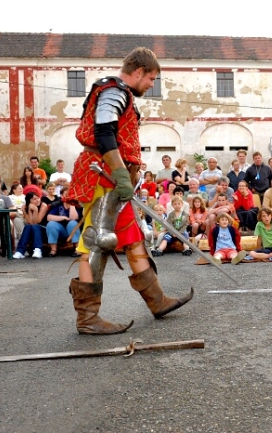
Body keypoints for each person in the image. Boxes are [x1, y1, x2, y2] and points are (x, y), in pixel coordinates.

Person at [64, 47, 192, 335]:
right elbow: (103, 133)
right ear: (138, 72)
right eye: (151, 78)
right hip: (103, 174)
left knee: (135, 238)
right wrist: (120, 173)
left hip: (115, 177)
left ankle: (157, 301)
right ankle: (87, 317)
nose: (151, 84)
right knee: (97, 242)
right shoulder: (114, 91)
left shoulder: (123, 94)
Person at [45, 188, 81, 257]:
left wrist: (72, 204)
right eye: (66, 194)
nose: (68, 196)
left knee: (72, 223)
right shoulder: (58, 205)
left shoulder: (77, 205)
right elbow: (49, 217)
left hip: (73, 230)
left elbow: (73, 218)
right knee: (51, 224)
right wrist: (63, 218)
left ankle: (78, 249)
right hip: (61, 230)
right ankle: (53, 250)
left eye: (70, 194)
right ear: (61, 196)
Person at [12, 191, 48, 259]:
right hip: (32, 229)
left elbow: (38, 221)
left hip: (44, 229)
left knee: (35, 226)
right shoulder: (24, 206)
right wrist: (29, 210)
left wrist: (36, 210)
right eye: (34, 199)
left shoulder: (43, 205)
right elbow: (30, 222)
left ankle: (38, 249)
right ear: (29, 201)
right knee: (28, 226)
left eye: (38, 198)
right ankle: (20, 251)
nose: (37, 200)